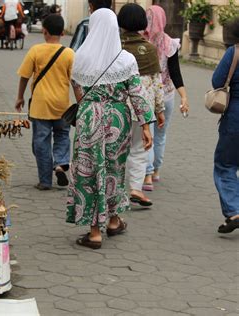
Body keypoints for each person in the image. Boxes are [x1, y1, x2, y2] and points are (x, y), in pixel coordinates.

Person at [66, 9, 154, 249]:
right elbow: (137, 95)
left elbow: (78, 91)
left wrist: (90, 107)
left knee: (89, 171)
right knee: (114, 170)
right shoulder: (126, 59)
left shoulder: (80, 57)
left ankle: (98, 229)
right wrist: (146, 126)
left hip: (88, 118)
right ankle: (111, 220)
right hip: (117, 120)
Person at [15, 15, 75, 190]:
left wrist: (20, 97)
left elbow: (24, 77)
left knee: (41, 141)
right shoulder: (69, 53)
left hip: (40, 106)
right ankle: (60, 163)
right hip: (62, 106)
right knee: (63, 136)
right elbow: (75, 82)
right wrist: (81, 102)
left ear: (44, 31)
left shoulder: (35, 50)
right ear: (63, 33)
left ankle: (45, 181)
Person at [118, 3, 165, 207]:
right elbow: (157, 82)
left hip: (118, 106)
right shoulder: (150, 49)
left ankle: (115, 190)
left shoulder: (115, 47)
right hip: (142, 108)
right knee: (139, 149)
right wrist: (159, 109)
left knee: (116, 150)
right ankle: (136, 189)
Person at [143, 5, 189, 190]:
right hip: (168, 94)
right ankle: (156, 171)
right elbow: (175, 73)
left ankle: (146, 175)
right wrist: (184, 97)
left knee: (148, 135)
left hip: (146, 94)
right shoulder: (170, 43)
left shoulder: (142, 43)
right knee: (161, 136)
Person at [212, 17, 239, 234]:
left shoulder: (234, 52)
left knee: (225, 165)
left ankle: (234, 210)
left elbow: (217, 81)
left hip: (236, 117)